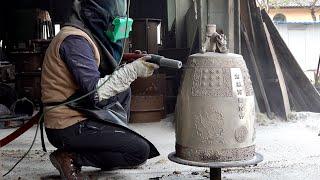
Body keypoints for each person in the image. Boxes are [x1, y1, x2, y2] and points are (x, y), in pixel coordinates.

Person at [41, 0, 160, 179]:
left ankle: (113, 138)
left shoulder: (83, 36)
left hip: (77, 112)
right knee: (139, 151)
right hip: (66, 125)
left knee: (123, 91)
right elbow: (94, 93)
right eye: (112, 24)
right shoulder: (75, 40)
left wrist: (128, 65)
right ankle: (71, 157)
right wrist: (132, 70)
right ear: (97, 17)